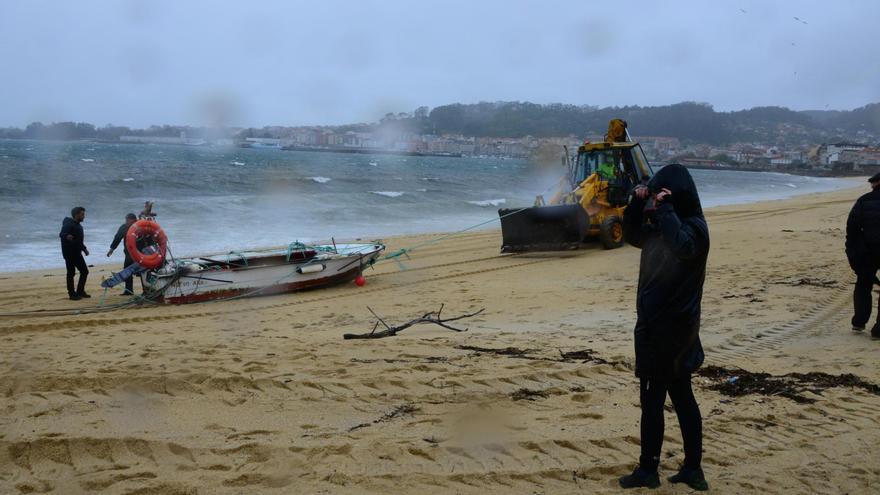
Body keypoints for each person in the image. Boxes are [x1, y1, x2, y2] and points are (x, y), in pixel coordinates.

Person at [618, 164, 710, 491]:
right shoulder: (661, 226)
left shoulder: (694, 228)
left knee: (656, 401)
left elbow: (683, 247)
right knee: (680, 397)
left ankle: (650, 469)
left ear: (676, 196)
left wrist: (666, 209)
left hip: (669, 331)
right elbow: (632, 236)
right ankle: (691, 469)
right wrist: (636, 205)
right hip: (662, 328)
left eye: (661, 195)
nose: (656, 202)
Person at [845, 172, 880, 338]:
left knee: (863, 285)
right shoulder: (864, 200)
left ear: (875, 184)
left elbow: (852, 229)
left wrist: (852, 251)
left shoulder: (863, 201)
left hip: (867, 251)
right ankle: (878, 330)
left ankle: (859, 322)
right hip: (869, 249)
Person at [60, 206, 90, 300]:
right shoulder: (69, 224)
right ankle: (72, 294)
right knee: (71, 273)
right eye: (82, 214)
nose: (84, 216)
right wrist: (66, 236)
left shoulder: (78, 225)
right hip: (69, 253)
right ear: (77, 215)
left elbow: (78, 241)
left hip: (77, 253)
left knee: (84, 271)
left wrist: (84, 249)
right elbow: (61, 234)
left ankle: (80, 291)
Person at [107, 213, 138, 295]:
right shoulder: (124, 227)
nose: (126, 221)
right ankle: (129, 291)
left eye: (128, 220)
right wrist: (111, 249)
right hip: (129, 253)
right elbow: (117, 238)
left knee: (142, 272)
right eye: (126, 220)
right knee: (127, 271)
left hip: (139, 253)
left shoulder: (140, 226)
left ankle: (146, 290)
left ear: (134, 220)